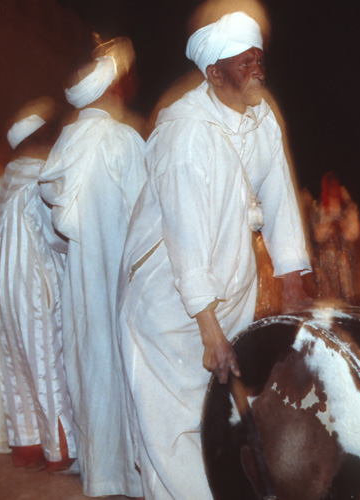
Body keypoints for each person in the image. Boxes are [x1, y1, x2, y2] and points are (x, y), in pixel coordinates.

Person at [117, 11, 311, 499]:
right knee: (171, 421)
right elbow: (184, 240)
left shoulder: (261, 117)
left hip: (229, 286)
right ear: (213, 74)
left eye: (259, 60)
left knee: (213, 412)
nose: (258, 72)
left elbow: (281, 197)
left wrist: (292, 279)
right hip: (171, 296)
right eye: (245, 63)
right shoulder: (186, 135)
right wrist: (209, 330)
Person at [38, 38, 145, 497]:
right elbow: (148, 215)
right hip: (126, 279)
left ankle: (101, 473)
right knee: (127, 366)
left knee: (90, 363)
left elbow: (51, 234)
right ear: (113, 89)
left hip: (82, 280)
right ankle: (134, 472)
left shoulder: (63, 146)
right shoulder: (122, 141)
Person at [0, 100, 76, 473]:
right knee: (49, 360)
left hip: (7, 285)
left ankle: (27, 443)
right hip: (37, 282)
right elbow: (59, 234)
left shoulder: (9, 176)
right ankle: (60, 449)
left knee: (16, 360)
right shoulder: (40, 178)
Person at [312, 171, 360, 302]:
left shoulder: (348, 207)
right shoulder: (318, 207)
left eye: (335, 184)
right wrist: (330, 226)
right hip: (325, 261)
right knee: (328, 298)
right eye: (329, 185)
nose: (332, 188)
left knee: (347, 295)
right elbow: (316, 235)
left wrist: (341, 226)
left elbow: (354, 233)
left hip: (345, 258)